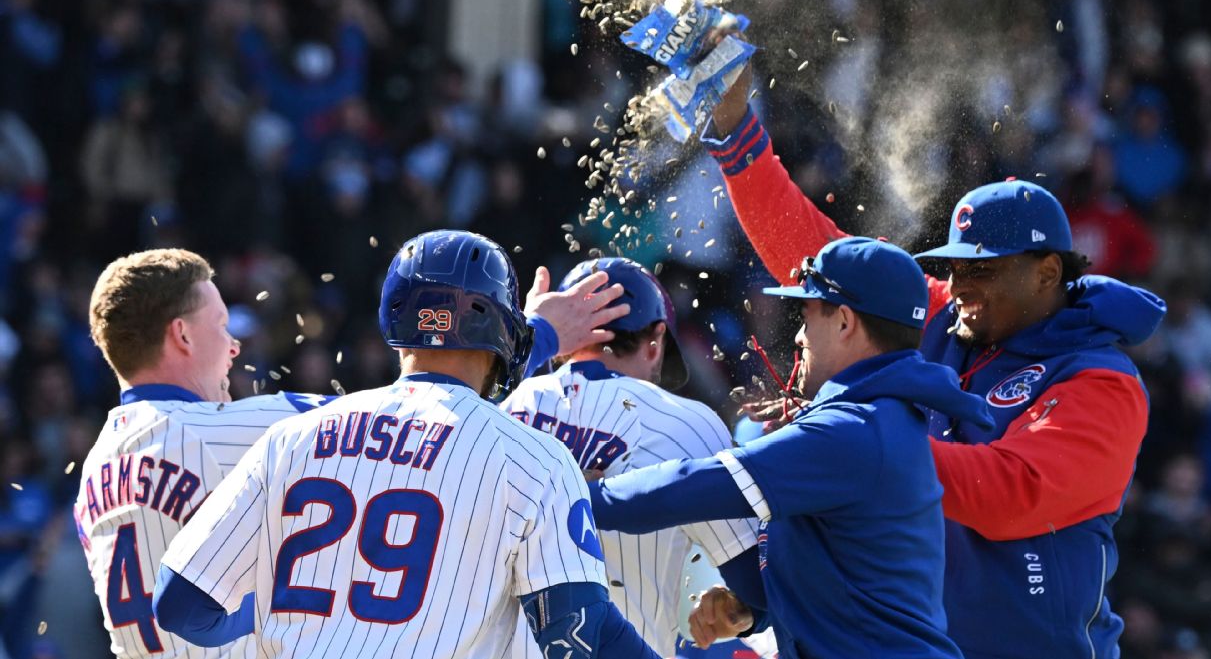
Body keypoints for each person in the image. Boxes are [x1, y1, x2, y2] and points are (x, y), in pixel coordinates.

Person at [698, 70, 1167, 658]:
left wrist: (863, 446)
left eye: (982, 269)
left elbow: (1011, 495)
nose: (960, 284)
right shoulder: (946, 316)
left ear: (1047, 273)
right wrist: (736, 134)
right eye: (955, 267)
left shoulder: (1103, 382)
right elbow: (815, 255)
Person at [76, 246, 631, 659]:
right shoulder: (229, 428)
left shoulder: (96, 469)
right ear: (182, 335)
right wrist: (536, 336)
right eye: (222, 325)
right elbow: (422, 405)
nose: (235, 344)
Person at [589, 237, 994, 659]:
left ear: (844, 322)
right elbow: (842, 578)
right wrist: (751, 613)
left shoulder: (854, 429)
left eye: (806, 317)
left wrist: (575, 494)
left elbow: (691, 487)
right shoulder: (882, 416)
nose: (799, 336)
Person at [504, 257, 761, 658]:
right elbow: (756, 583)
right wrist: (743, 610)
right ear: (656, 340)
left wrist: (527, 338)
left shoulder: (499, 406)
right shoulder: (689, 422)